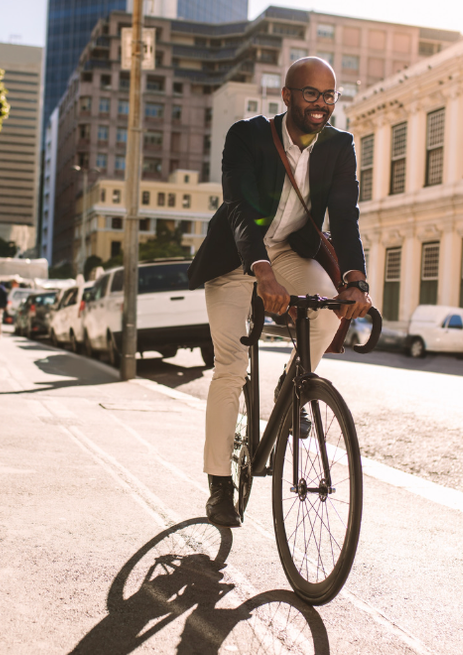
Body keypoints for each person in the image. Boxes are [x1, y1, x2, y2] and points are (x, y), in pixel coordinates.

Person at [187, 57, 373, 528]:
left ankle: (291, 388)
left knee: (330, 312)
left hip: (290, 252)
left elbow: (345, 217)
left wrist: (355, 280)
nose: (322, 104)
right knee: (229, 368)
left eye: (330, 96)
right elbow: (240, 209)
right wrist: (261, 272)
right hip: (236, 257)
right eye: (311, 94)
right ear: (287, 96)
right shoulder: (246, 135)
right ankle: (219, 485)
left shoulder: (339, 146)